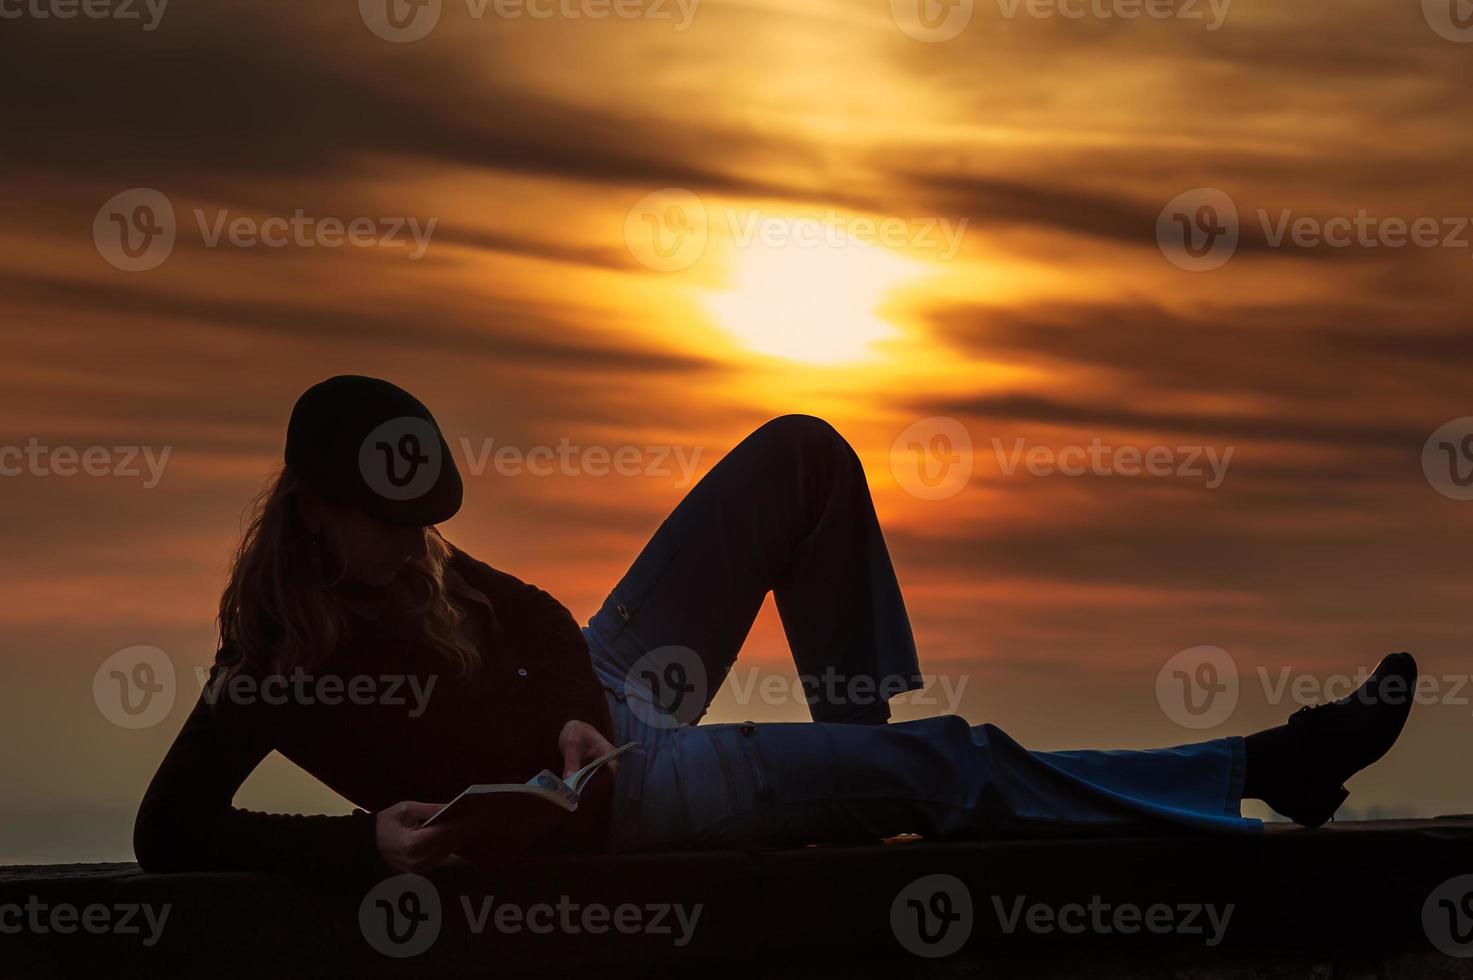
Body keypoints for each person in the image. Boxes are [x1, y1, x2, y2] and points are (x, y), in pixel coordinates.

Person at [132, 376, 1419, 878]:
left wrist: (578, 693)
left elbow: (528, 613)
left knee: (800, 453)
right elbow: (170, 828)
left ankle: (849, 758)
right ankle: (1264, 768)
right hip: (616, 797)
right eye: (382, 523)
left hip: (604, 709)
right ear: (311, 510)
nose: (411, 549)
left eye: (420, 525)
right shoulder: (272, 666)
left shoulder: (415, 563)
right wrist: (372, 839)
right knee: (958, 756)